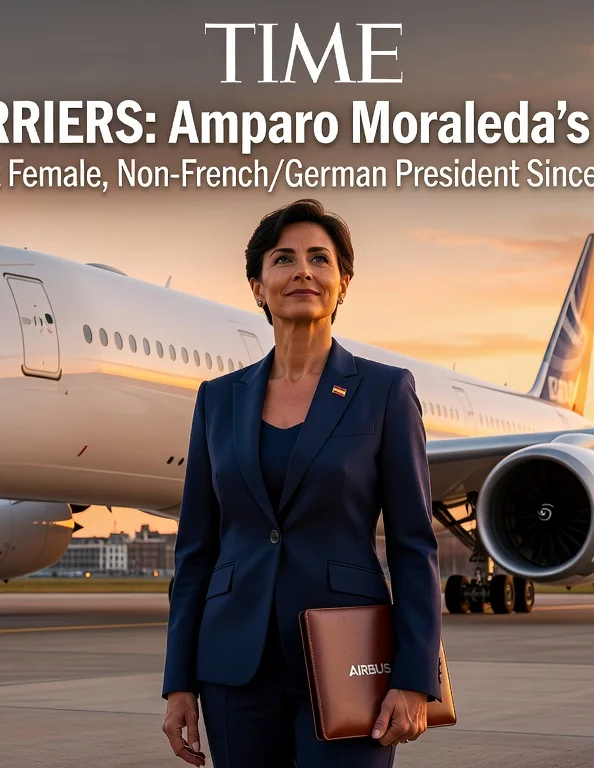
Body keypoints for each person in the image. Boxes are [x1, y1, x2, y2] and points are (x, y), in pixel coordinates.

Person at [161, 199, 442, 767]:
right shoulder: (218, 399)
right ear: (258, 285)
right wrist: (179, 681)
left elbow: (415, 546)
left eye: (320, 258)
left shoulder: (384, 392)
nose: (303, 271)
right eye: (283, 259)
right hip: (234, 667)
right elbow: (196, 552)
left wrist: (416, 678)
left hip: (349, 661)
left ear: (342, 283)